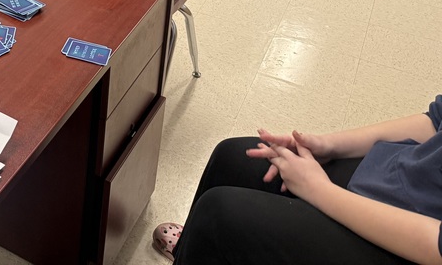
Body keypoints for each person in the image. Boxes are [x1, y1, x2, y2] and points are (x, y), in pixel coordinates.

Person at [156, 97, 442, 264]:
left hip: (419, 245)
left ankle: (206, 244)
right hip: (404, 180)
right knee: (233, 157)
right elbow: (434, 121)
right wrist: (328, 145)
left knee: (218, 214)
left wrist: (318, 190)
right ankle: (191, 250)